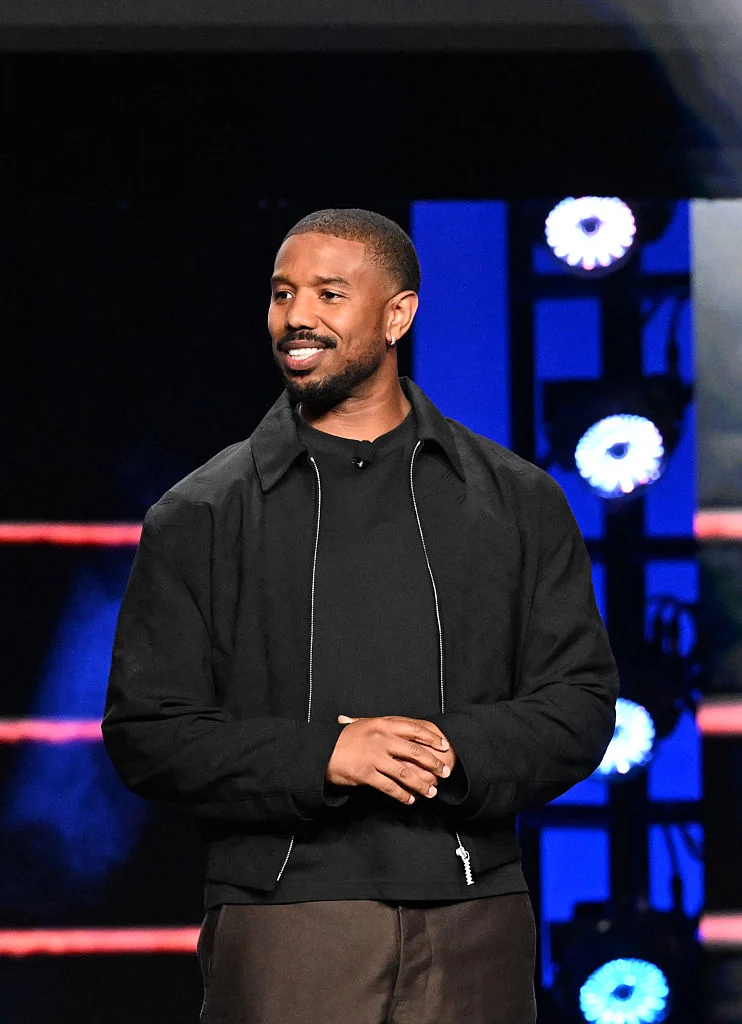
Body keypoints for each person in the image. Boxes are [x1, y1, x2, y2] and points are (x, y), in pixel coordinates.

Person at [103, 208, 619, 1024]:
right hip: (284, 922)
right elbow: (148, 731)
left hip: (475, 918)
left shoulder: (516, 501)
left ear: (398, 315)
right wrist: (329, 755)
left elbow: (580, 704)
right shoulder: (201, 513)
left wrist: (451, 748)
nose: (296, 316)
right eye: (282, 294)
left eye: (329, 293)